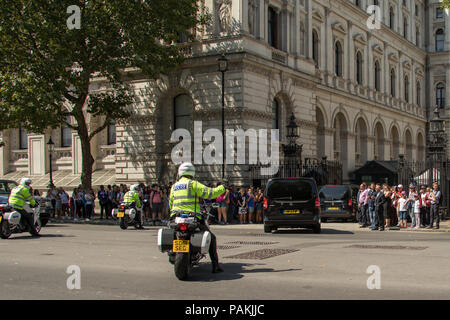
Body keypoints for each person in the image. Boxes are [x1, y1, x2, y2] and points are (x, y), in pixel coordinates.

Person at [169, 162, 226, 273]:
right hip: (192, 216)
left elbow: (171, 203)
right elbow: (210, 193)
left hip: (176, 217)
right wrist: (222, 187)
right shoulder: (193, 184)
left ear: (180, 173)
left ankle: (172, 253)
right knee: (211, 238)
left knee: (172, 232)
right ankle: (215, 265)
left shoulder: (174, 186)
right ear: (192, 172)